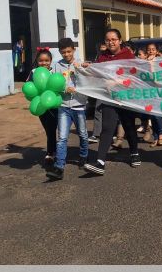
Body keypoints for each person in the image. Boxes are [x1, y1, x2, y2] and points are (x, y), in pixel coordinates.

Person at [81, 29, 141, 175]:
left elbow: (135, 77)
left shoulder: (128, 55)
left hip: (126, 98)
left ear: (120, 40)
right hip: (109, 98)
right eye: (108, 40)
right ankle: (100, 162)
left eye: (114, 39)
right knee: (107, 128)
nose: (111, 42)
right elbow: (97, 75)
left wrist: (117, 82)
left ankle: (134, 152)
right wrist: (87, 68)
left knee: (129, 126)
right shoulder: (103, 57)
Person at [46, 38, 90, 180]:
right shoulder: (56, 66)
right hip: (63, 106)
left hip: (79, 106)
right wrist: (65, 89)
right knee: (62, 138)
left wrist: (81, 69)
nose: (66, 54)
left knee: (82, 134)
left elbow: (88, 81)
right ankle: (59, 167)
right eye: (63, 52)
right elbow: (53, 84)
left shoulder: (81, 63)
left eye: (69, 51)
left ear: (74, 50)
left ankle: (83, 156)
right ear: (60, 52)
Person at [27, 48, 57, 169]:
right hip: (40, 106)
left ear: (50, 61)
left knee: (52, 129)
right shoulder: (33, 72)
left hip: (54, 105)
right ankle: (53, 151)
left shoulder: (55, 72)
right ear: (37, 61)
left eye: (46, 60)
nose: (44, 63)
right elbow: (29, 87)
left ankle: (51, 153)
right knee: (48, 130)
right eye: (41, 61)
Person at [88, 42, 109, 143]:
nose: (103, 50)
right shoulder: (98, 58)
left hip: (113, 89)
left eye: (104, 48)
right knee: (98, 110)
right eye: (101, 49)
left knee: (113, 113)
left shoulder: (112, 58)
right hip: (101, 89)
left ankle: (114, 134)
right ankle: (96, 134)